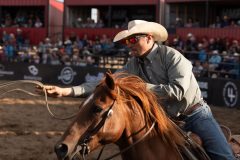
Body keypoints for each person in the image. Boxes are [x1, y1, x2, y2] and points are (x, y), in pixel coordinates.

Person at [37, 20, 234, 160]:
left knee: (223, 157)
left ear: (149, 38)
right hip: (165, 120)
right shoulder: (134, 64)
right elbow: (106, 84)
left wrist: (139, 87)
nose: (128, 45)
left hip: (196, 116)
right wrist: (66, 91)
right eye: (126, 42)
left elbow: (179, 91)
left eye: (132, 40)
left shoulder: (173, 57)